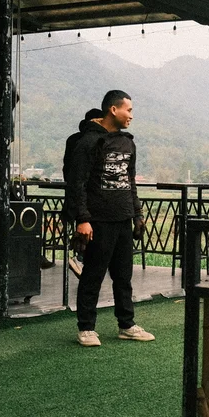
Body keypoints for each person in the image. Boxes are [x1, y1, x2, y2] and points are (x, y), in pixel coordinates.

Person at [64, 91, 153, 346]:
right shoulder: (87, 143)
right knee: (93, 274)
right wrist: (82, 219)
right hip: (97, 220)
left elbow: (130, 182)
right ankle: (86, 328)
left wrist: (137, 214)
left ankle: (126, 324)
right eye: (128, 110)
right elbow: (77, 183)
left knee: (123, 276)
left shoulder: (128, 143)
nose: (131, 116)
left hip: (123, 218)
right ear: (113, 110)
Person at [63, 108, 107, 278]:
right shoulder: (95, 140)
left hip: (74, 193)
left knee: (83, 228)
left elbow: (68, 168)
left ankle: (80, 258)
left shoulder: (73, 139)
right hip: (93, 195)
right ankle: (81, 259)